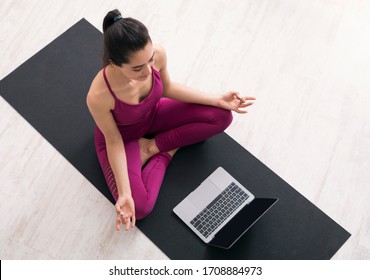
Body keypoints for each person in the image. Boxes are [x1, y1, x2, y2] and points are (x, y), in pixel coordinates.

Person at [86, 9, 255, 232]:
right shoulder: (99, 96)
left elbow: (167, 88)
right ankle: (167, 151)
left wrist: (217, 99)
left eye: (150, 60)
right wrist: (125, 193)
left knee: (221, 116)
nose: (148, 71)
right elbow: (114, 141)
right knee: (140, 208)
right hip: (122, 137)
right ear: (115, 64)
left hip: (152, 115)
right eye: (137, 68)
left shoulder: (159, 54)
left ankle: (152, 147)